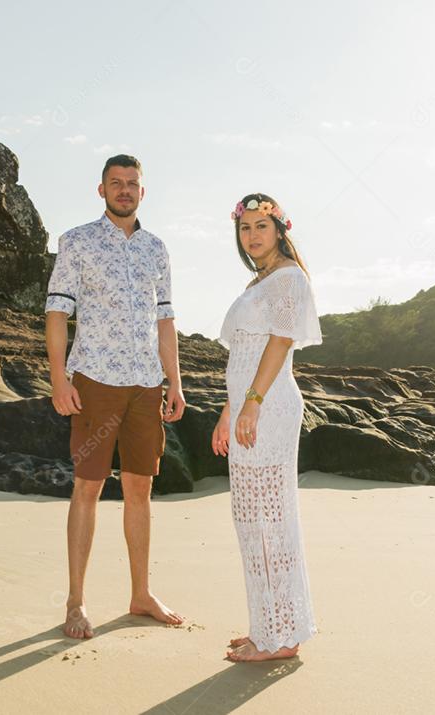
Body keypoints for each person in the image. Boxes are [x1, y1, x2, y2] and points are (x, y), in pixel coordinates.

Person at [44, 154, 187, 640]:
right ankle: (76, 602)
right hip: (95, 381)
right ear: (101, 189)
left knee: (139, 490)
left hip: (146, 384)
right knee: (87, 487)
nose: (124, 190)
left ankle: (140, 594)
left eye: (132, 183)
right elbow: (57, 313)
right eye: (116, 182)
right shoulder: (76, 241)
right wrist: (59, 378)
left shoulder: (156, 249)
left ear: (142, 192)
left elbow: (165, 320)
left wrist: (174, 381)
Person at [212, 193, 321, 662]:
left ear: (279, 230)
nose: (253, 235)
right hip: (249, 407)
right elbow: (243, 355)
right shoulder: (257, 282)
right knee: (250, 518)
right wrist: (228, 412)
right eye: (245, 227)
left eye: (261, 225)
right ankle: (268, 626)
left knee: (272, 519)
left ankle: (283, 637)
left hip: (270, 407)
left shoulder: (289, 277)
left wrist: (252, 404)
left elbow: (279, 341)